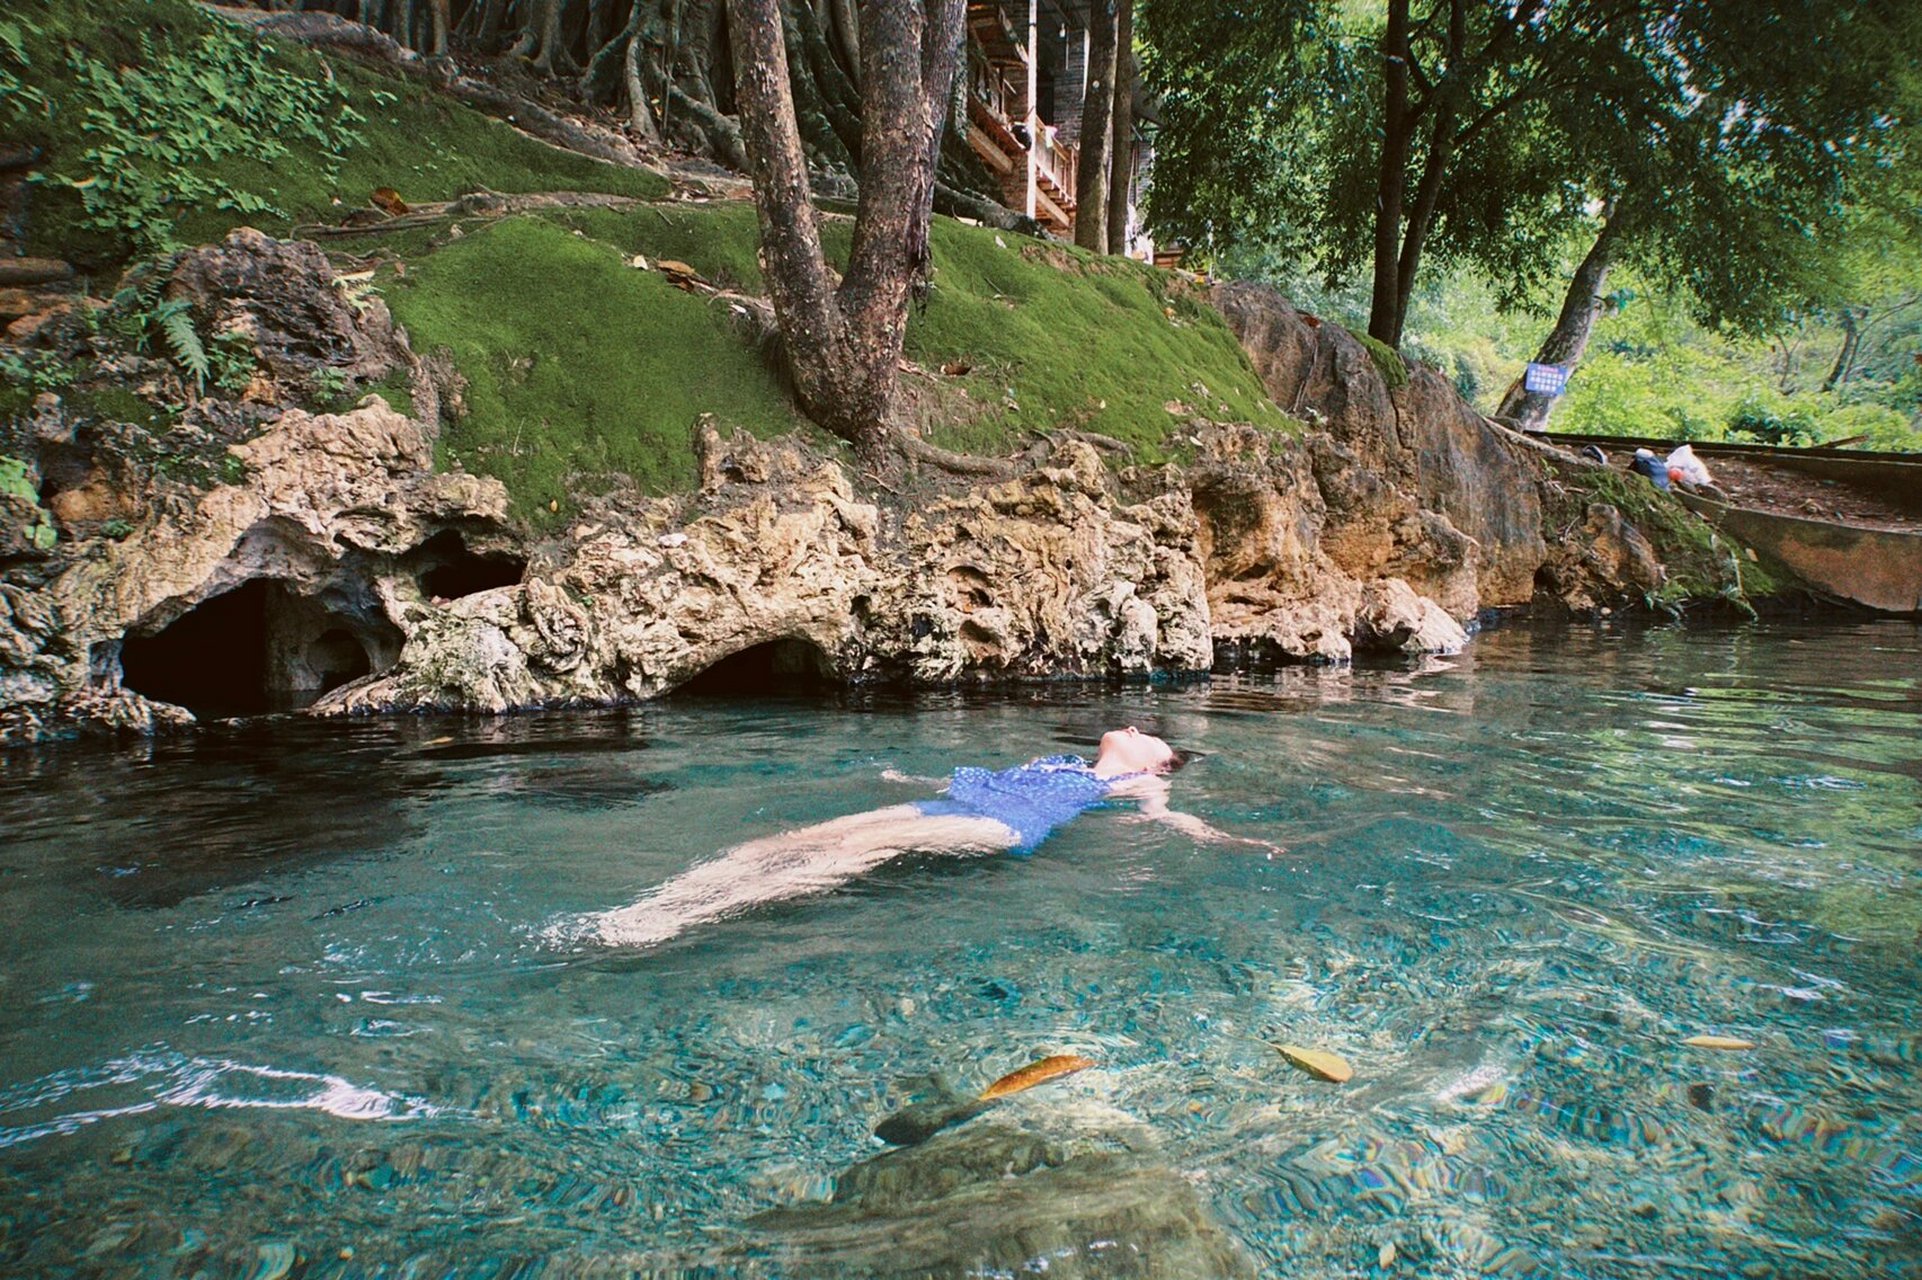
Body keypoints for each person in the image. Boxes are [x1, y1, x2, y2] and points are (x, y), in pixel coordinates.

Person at [585, 727, 1278, 947]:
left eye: (1141, 734)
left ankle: (669, 924)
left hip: (999, 825)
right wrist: (901, 778)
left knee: (857, 852)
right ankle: (657, 902)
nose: (1128, 727)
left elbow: (1176, 822)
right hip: (955, 798)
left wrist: (1237, 843)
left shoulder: (1138, 785)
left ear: (1158, 762)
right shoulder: (1063, 761)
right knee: (794, 839)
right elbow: (985, 772)